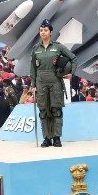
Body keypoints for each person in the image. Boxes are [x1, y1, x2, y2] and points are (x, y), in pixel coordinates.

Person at [29, 19, 76, 147]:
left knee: (56, 110)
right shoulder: (36, 49)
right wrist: (33, 85)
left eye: (45, 30)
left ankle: (56, 137)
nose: (43, 32)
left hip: (55, 82)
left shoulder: (58, 47)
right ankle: (46, 138)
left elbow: (73, 58)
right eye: (41, 30)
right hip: (40, 82)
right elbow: (32, 68)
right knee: (43, 111)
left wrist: (72, 73)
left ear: (51, 32)